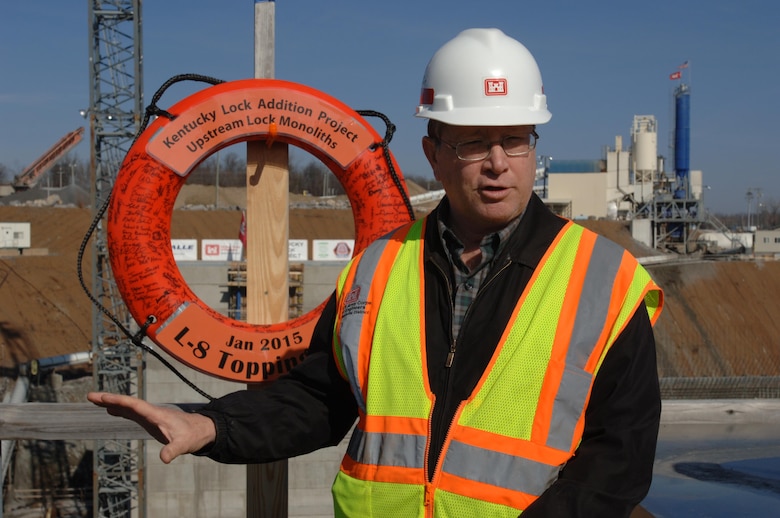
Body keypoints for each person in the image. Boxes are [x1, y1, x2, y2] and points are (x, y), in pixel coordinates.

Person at [89, 28, 663, 517]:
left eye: (515, 140)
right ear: (433, 152)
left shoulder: (605, 281)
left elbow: (619, 458)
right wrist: (210, 426)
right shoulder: (377, 267)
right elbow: (319, 399)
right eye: (473, 143)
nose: (497, 163)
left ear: (534, 148)